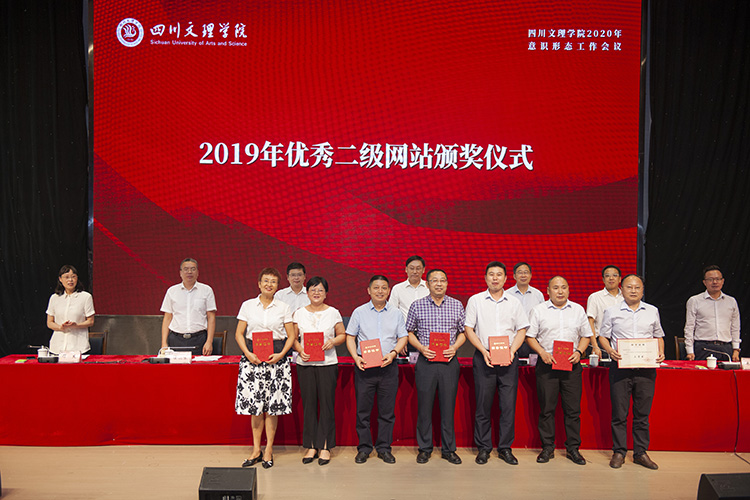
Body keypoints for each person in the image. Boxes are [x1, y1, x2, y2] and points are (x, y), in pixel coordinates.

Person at [464, 261, 529, 465]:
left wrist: (512, 351)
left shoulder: (514, 302)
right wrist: (483, 351)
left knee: (507, 406)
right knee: (483, 405)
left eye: (499, 274)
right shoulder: (476, 300)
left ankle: (505, 448)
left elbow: (522, 329)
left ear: (505, 278)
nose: (495, 278)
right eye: (491, 274)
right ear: (485, 278)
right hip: (484, 357)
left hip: (508, 358)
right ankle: (483, 448)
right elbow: (468, 329)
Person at [599, 274, 665, 470]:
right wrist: (610, 350)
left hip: (646, 369)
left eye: (637, 287)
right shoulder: (611, 311)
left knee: (642, 414)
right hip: (620, 367)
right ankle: (619, 452)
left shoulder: (652, 311)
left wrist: (660, 351)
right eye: (629, 287)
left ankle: (640, 453)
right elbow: (603, 336)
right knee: (619, 413)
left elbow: (658, 336)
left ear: (642, 290)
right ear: (622, 289)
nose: (633, 290)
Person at [526, 276, 591, 466]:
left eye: (564, 287)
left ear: (568, 290)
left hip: (571, 365)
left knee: (573, 410)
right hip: (547, 364)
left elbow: (586, 335)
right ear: (548, 291)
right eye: (556, 288)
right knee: (547, 409)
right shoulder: (539, 310)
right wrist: (542, 353)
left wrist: (579, 352)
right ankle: (547, 447)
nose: (560, 291)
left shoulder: (578, 310)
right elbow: (530, 337)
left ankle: (573, 448)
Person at [235, 267, 296, 469]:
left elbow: (291, 336)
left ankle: (268, 449)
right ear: (259, 284)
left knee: (272, 408)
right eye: (266, 281)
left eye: (273, 282)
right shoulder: (247, 305)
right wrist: (248, 353)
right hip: (252, 360)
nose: (269, 285)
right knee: (255, 408)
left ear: (278, 286)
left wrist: (281, 354)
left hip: (276, 361)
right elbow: (239, 334)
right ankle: (256, 449)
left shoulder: (284, 307)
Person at [406, 269, 466, 465]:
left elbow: (463, 332)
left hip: (449, 362)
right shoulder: (417, 305)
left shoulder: (457, 305)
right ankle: (425, 448)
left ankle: (449, 449)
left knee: (448, 407)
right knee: (424, 407)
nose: (439, 284)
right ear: (428, 284)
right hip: (426, 362)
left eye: (442, 280)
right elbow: (409, 332)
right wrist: (421, 348)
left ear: (447, 283)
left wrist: (454, 347)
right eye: (434, 280)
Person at [346, 275, 408, 465]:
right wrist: (355, 357)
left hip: (388, 367)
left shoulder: (396, 313)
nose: (380, 291)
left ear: (388, 291)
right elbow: (350, 337)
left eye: (383, 288)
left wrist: (394, 353)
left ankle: (384, 448)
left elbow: (403, 337)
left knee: (387, 412)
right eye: (376, 287)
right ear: (369, 290)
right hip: (365, 367)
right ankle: (364, 448)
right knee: (363, 411)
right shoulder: (359, 312)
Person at [293, 277, 346, 466]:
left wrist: (333, 341)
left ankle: (325, 446)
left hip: (327, 364)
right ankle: (311, 446)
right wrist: (300, 350)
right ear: (307, 293)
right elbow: (293, 338)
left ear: (326, 293)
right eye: (313, 290)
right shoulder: (299, 313)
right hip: (305, 364)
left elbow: (342, 334)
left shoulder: (333, 313)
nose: (316, 293)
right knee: (309, 405)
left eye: (320, 290)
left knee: (326, 404)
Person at [160, 258, 217, 356]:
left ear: (197, 272)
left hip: (199, 339)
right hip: (176, 339)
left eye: (193, 269)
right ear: (180, 273)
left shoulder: (206, 290)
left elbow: (211, 317)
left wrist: (209, 341)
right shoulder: (172, 291)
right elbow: (167, 318)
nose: (189, 272)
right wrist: (164, 343)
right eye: (186, 269)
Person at [684, 265, 741, 362]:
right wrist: (690, 351)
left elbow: (735, 327)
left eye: (718, 279)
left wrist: (736, 349)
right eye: (710, 279)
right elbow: (689, 327)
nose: (715, 282)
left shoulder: (731, 301)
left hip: (726, 348)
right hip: (703, 348)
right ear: (704, 282)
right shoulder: (695, 300)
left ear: (722, 281)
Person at [46, 265, 95, 354]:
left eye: (73, 277)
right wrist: (60, 327)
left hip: (78, 347)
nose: (70, 280)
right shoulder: (54, 298)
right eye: (66, 277)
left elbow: (90, 321)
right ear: (60, 279)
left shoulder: (86, 297)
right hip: (57, 347)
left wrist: (76, 325)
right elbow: (49, 323)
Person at [506, 262, 544, 358]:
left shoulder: (538, 295)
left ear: (530, 275)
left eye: (526, 272)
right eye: (520, 272)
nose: (523, 275)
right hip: (513, 339)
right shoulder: (507, 295)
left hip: (533, 340)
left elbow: (543, 316)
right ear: (514, 276)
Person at [586, 265, 623, 358]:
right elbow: (590, 322)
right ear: (603, 279)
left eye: (615, 275)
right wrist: (595, 345)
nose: (611, 278)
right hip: (601, 341)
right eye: (607, 276)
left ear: (620, 279)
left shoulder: (626, 297)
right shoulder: (595, 297)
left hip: (622, 341)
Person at [389, 255, 429, 320]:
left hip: (426, 325)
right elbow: (392, 312)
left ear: (423, 270)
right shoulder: (397, 289)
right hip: (405, 326)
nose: (415, 272)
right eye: (412, 268)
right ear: (406, 269)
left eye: (418, 268)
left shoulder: (430, 287)